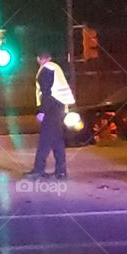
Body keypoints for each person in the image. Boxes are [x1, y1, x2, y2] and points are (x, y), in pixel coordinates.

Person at [25, 49, 75, 180]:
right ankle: (61, 171)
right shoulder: (55, 68)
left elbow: (46, 93)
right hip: (59, 107)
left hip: (51, 108)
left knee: (45, 140)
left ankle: (38, 170)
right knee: (57, 141)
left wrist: (42, 111)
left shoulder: (45, 70)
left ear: (38, 59)